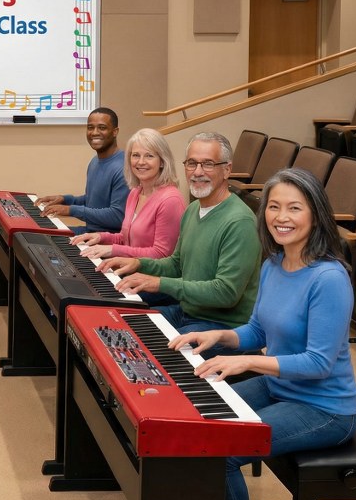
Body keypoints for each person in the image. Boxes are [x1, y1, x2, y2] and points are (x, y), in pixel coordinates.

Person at [167, 168, 356, 500]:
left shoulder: (329, 277)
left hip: (325, 407)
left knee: (221, 452)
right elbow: (257, 329)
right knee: (197, 418)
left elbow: (319, 363)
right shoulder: (273, 263)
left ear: (316, 215)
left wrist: (248, 361)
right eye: (273, 206)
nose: (281, 216)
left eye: (294, 207)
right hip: (281, 387)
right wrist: (216, 336)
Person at [101, 131, 261, 356]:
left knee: (148, 352)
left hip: (221, 327)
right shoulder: (194, 209)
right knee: (122, 325)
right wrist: (138, 264)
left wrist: (159, 283)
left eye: (208, 164)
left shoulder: (239, 222)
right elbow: (177, 264)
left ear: (226, 169)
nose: (197, 172)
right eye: (192, 163)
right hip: (187, 311)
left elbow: (225, 292)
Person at [72, 127, 184, 261]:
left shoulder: (170, 200)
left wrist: (113, 249)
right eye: (136, 155)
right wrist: (101, 237)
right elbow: (126, 239)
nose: (141, 162)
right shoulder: (135, 192)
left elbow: (162, 254)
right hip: (128, 270)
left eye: (149, 156)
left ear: (162, 161)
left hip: (149, 278)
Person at [36, 107, 127, 234]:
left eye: (102, 127)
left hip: (106, 242)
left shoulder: (123, 168)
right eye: (90, 127)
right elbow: (95, 201)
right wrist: (65, 199)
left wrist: (71, 210)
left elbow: (117, 217)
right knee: (36, 232)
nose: (94, 132)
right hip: (89, 232)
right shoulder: (94, 162)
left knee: (41, 239)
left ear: (115, 132)